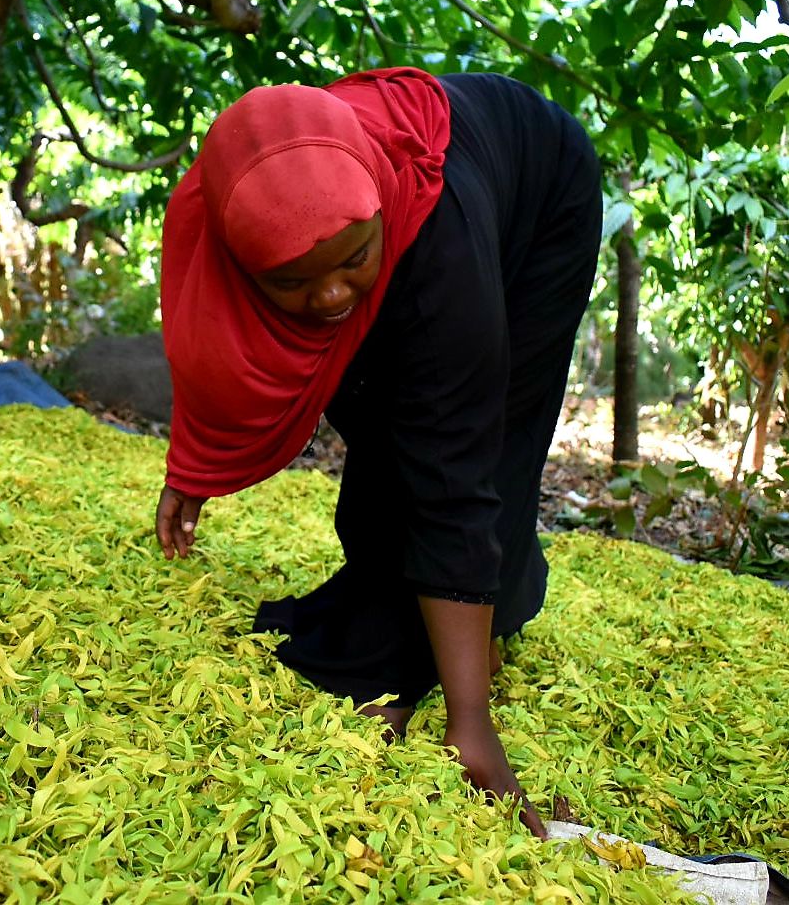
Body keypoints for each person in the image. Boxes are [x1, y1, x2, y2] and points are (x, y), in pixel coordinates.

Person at [154, 67, 602, 837]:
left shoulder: (439, 262)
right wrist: (196, 464)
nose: (330, 296)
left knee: (479, 440)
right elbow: (214, 335)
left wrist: (472, 727)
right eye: (294, 281)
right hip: (415, 222)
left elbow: (455, 468)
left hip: (540, 196)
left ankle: (461, 640)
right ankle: (417, 625)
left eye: (352, 261)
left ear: (377, 225)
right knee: (379, 421)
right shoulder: (228, 213)